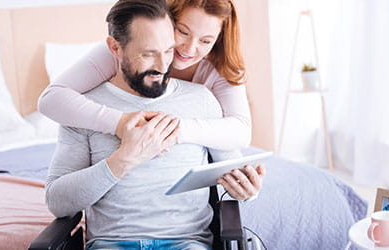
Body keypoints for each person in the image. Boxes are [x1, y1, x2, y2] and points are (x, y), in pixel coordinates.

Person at [45, 1, 265, 249]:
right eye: (149, 53)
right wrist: (124, 157)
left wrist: (246, 189)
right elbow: (58, 202)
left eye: (168, 50)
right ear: (115, 48)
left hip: (187, 243)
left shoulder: (204, 98)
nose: (163, 66)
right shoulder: (81, 109)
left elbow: (235, 149)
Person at [38, 0, 250, 151]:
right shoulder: (123, 51)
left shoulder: (222, 67)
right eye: (183, 32)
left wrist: (168, 130)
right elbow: (52, 99)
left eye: (205, 41)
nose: (189, 48)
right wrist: (120, 123)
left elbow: (241, 132)